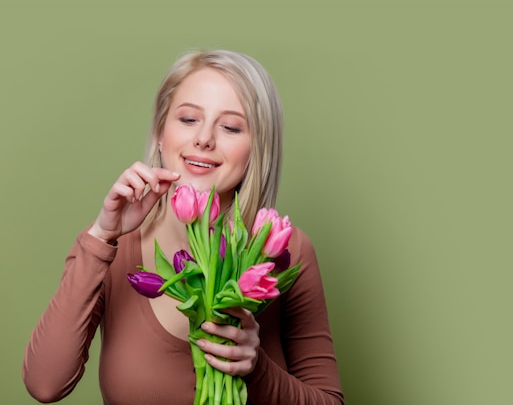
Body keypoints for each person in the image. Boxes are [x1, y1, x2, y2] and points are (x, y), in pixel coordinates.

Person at [22, 50, 343, 405]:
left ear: (258, 149)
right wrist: (101, 235)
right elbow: (45, 385)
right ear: (161, 134)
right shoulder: (111, 246)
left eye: (231, 126)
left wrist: (257, 369)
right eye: (188, 119)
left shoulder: (283, 248)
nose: (204, 138)